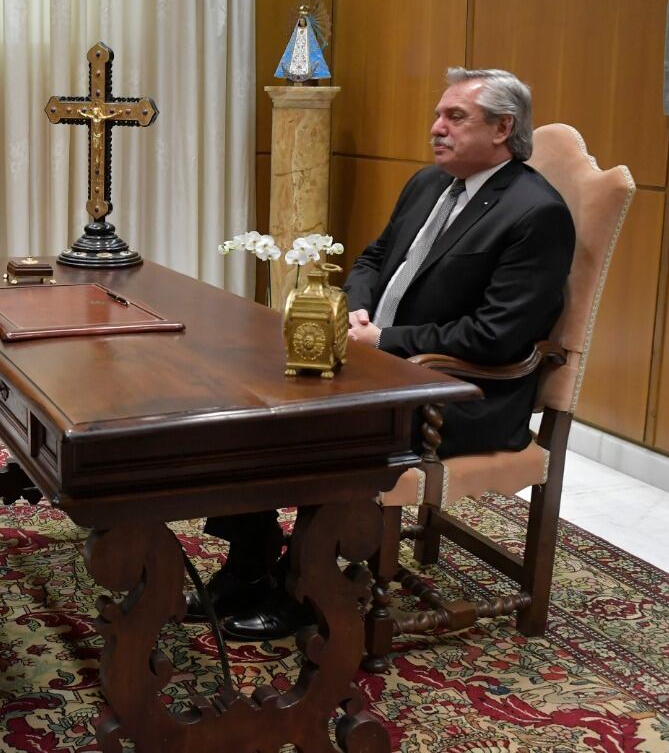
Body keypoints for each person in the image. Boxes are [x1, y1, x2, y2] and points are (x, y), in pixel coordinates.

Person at [188, 67, 575, 641]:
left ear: (503, 129)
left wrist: (387, 342)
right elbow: (372, 260)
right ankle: (247, 566)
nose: (435, 128)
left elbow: (497, 337)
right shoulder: (428, 183)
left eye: (454, 117)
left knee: (311, 427)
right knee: (252, 399)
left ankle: (309, 588)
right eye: (438, 114)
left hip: (461, 394)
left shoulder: (534, 213)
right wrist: (356, 312)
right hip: (381, 363)